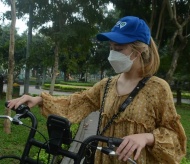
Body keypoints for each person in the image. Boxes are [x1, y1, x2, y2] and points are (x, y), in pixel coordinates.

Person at [7, 16, 186, 164]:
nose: (113, 53)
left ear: (138, 50)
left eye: (119, 48)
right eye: (111, 47)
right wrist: (38, 99)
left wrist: (147, 137)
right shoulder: (107, 84)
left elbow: (175, 139)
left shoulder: (158, 88)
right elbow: (78, 102)